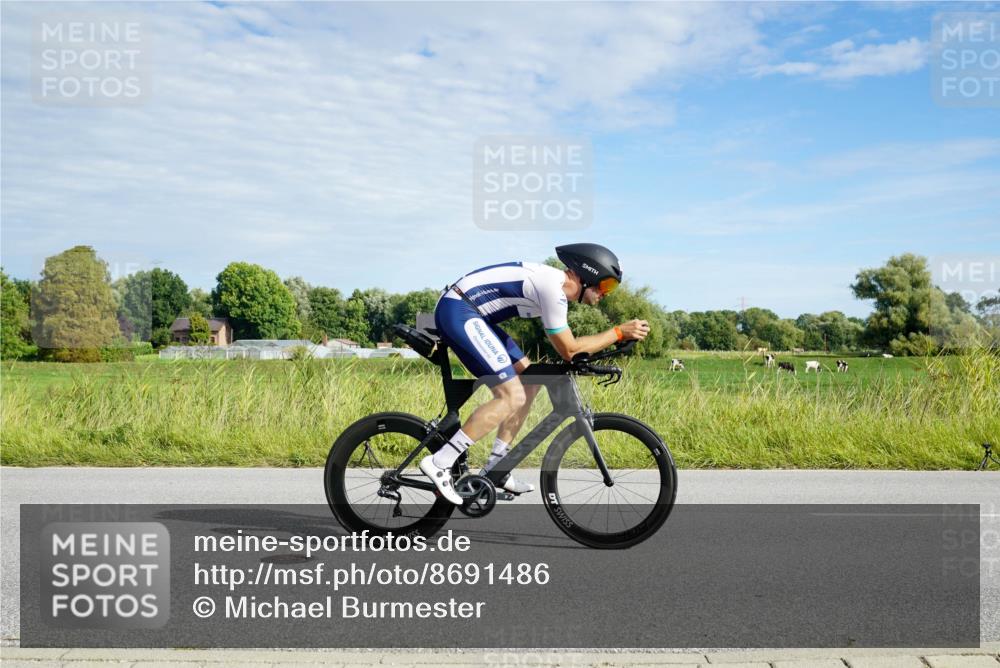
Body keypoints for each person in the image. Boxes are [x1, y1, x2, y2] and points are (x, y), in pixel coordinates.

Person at [420, 243, 650, 503]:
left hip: (473, 313)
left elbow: (568, 346)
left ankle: (496, 467)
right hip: (459, 310)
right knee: (511, 396)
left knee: (529, 381)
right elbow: (570, 350)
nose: (605, 294)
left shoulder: (555, 288)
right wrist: (618, 333)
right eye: (606, 285)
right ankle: (441, 461)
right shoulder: (552, 288)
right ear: (588, 274)